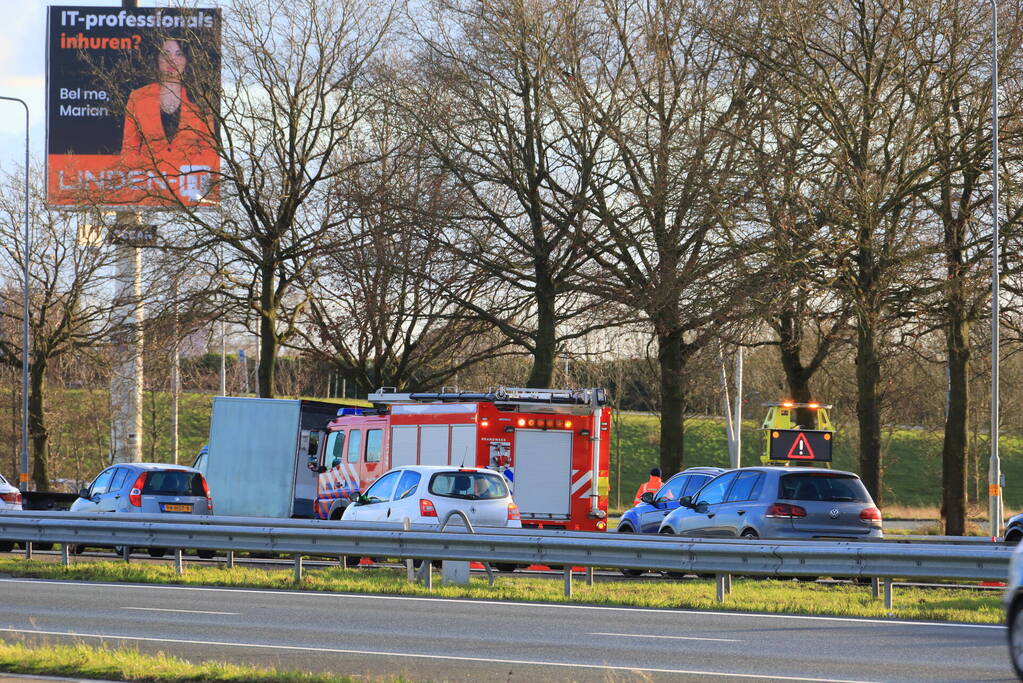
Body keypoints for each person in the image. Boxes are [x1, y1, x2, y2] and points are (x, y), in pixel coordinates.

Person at [120, 37, 216, 182]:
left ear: (187, 59)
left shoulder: (202, 99)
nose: (172, 60)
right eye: (166, 54)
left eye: (179, 54)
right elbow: (129, 150)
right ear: (157, 59)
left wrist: (194, 176)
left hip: (190, 187)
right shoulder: (138, 97)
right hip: (149, 185)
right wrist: (141, 177)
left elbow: (210, 149)